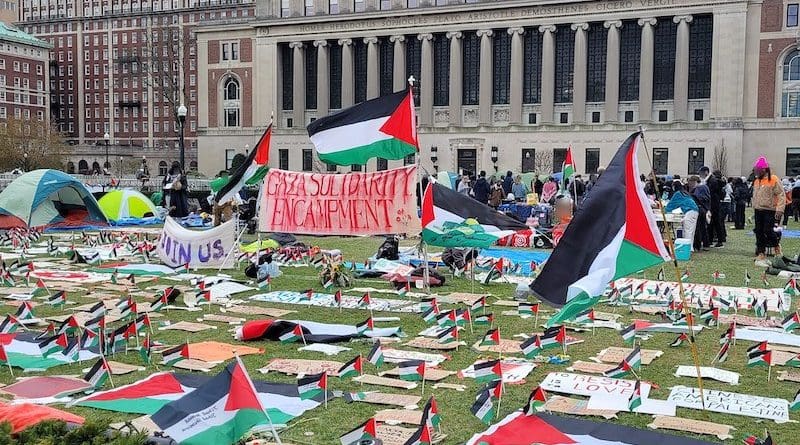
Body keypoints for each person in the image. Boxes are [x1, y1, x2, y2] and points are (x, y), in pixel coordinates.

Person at [751, 156, 785, 260]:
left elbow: (781, 195)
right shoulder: (757, 181)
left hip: (769, 210)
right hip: (758, 209)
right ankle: (761, 252)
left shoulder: (774, 179)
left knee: (768, 230)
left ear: (764, 170)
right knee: (758, 231)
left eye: (758, 169)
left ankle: (776, 246)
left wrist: (780, 209)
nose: (756, 171)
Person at [665, 181, 699, 250]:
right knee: (691, 231)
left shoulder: (678, 194)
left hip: (689, 212)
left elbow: (671, 205)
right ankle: (690, 247)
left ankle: (687, 248)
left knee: (687, 231)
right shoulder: (685, 193)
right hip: (695, 211)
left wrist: (664, 210)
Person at [703, 167, 725, 247]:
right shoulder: (717, 182)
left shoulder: (712, 181)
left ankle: (714, 240)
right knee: (715, 222)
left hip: (713, 204)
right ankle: (715, 239)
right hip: (716, 203)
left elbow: (710, 192)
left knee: (713, 222)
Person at [688, 175, 711, 251]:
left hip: (700, 209)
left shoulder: (700, 188)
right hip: (703, 209)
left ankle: (697, 245)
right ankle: (705, 244)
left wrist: (693, 195)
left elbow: (702, 198)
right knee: (702, 227)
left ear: (694, 182)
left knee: (698, 228)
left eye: (691, 182)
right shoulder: (704, 187)